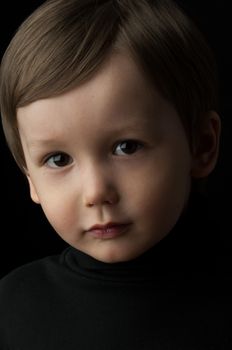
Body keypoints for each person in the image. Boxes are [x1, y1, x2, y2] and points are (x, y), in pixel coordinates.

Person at [0, 0, 230, 348]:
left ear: (202, 145)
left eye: (126, 148)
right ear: (29, 178)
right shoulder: (11, 306)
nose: (95, 192)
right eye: (59, 159)